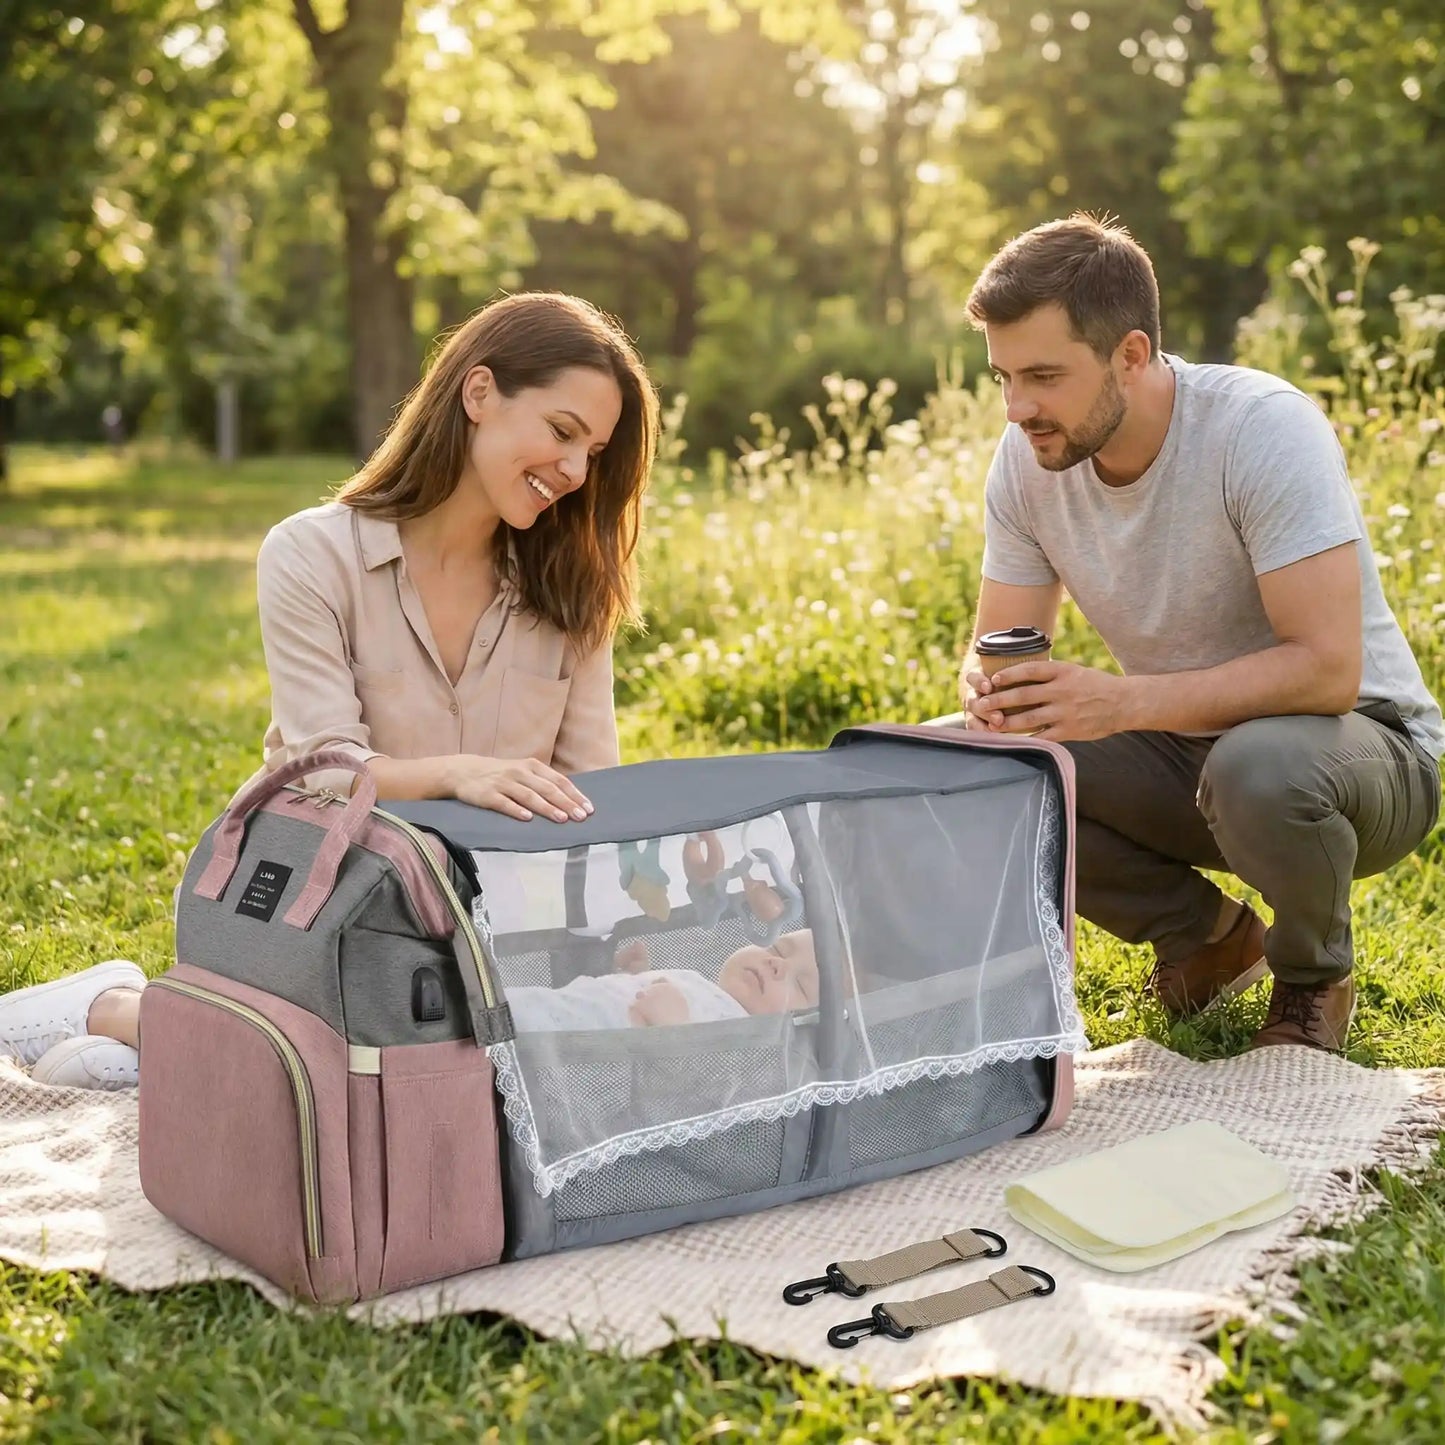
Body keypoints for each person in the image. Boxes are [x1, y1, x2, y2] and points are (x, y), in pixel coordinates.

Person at [1, 292, 660, 1088]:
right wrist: (460, 773)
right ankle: (114, 1008)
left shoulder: (571, 588)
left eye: (593, 450)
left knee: (474, 1076)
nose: (576, 470)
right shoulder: (312, 555)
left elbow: (594, 789)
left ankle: (159, 1045)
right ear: (479, 393)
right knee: (360, 1070)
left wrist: (627, 918)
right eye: (561, 432)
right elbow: (321, 767)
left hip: (493, 916)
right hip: (324, 899)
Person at [958, 214, 1443, 1054]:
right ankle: (1208, 937)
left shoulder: (1259, 427)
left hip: (1361, 751)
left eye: (1042, 375)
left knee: (1256, 765)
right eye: (1002, 376)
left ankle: (1310, 976)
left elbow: (1327, 671)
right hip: (1186, 748)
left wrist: (1122, 702)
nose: (1017, 407)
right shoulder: (1029, 456)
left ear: (1131, 355)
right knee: (971, 768)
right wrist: (988, 691)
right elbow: (999, 643)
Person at [508, 929, 820, 1032]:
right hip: (555, 1008)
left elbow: (688, 1095)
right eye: (777, 947)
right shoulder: (706, 987)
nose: (777, 963)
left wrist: (674, 1032)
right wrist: (631, 977)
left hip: (552, 1047)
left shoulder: (743, 1041)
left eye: (801, 984)